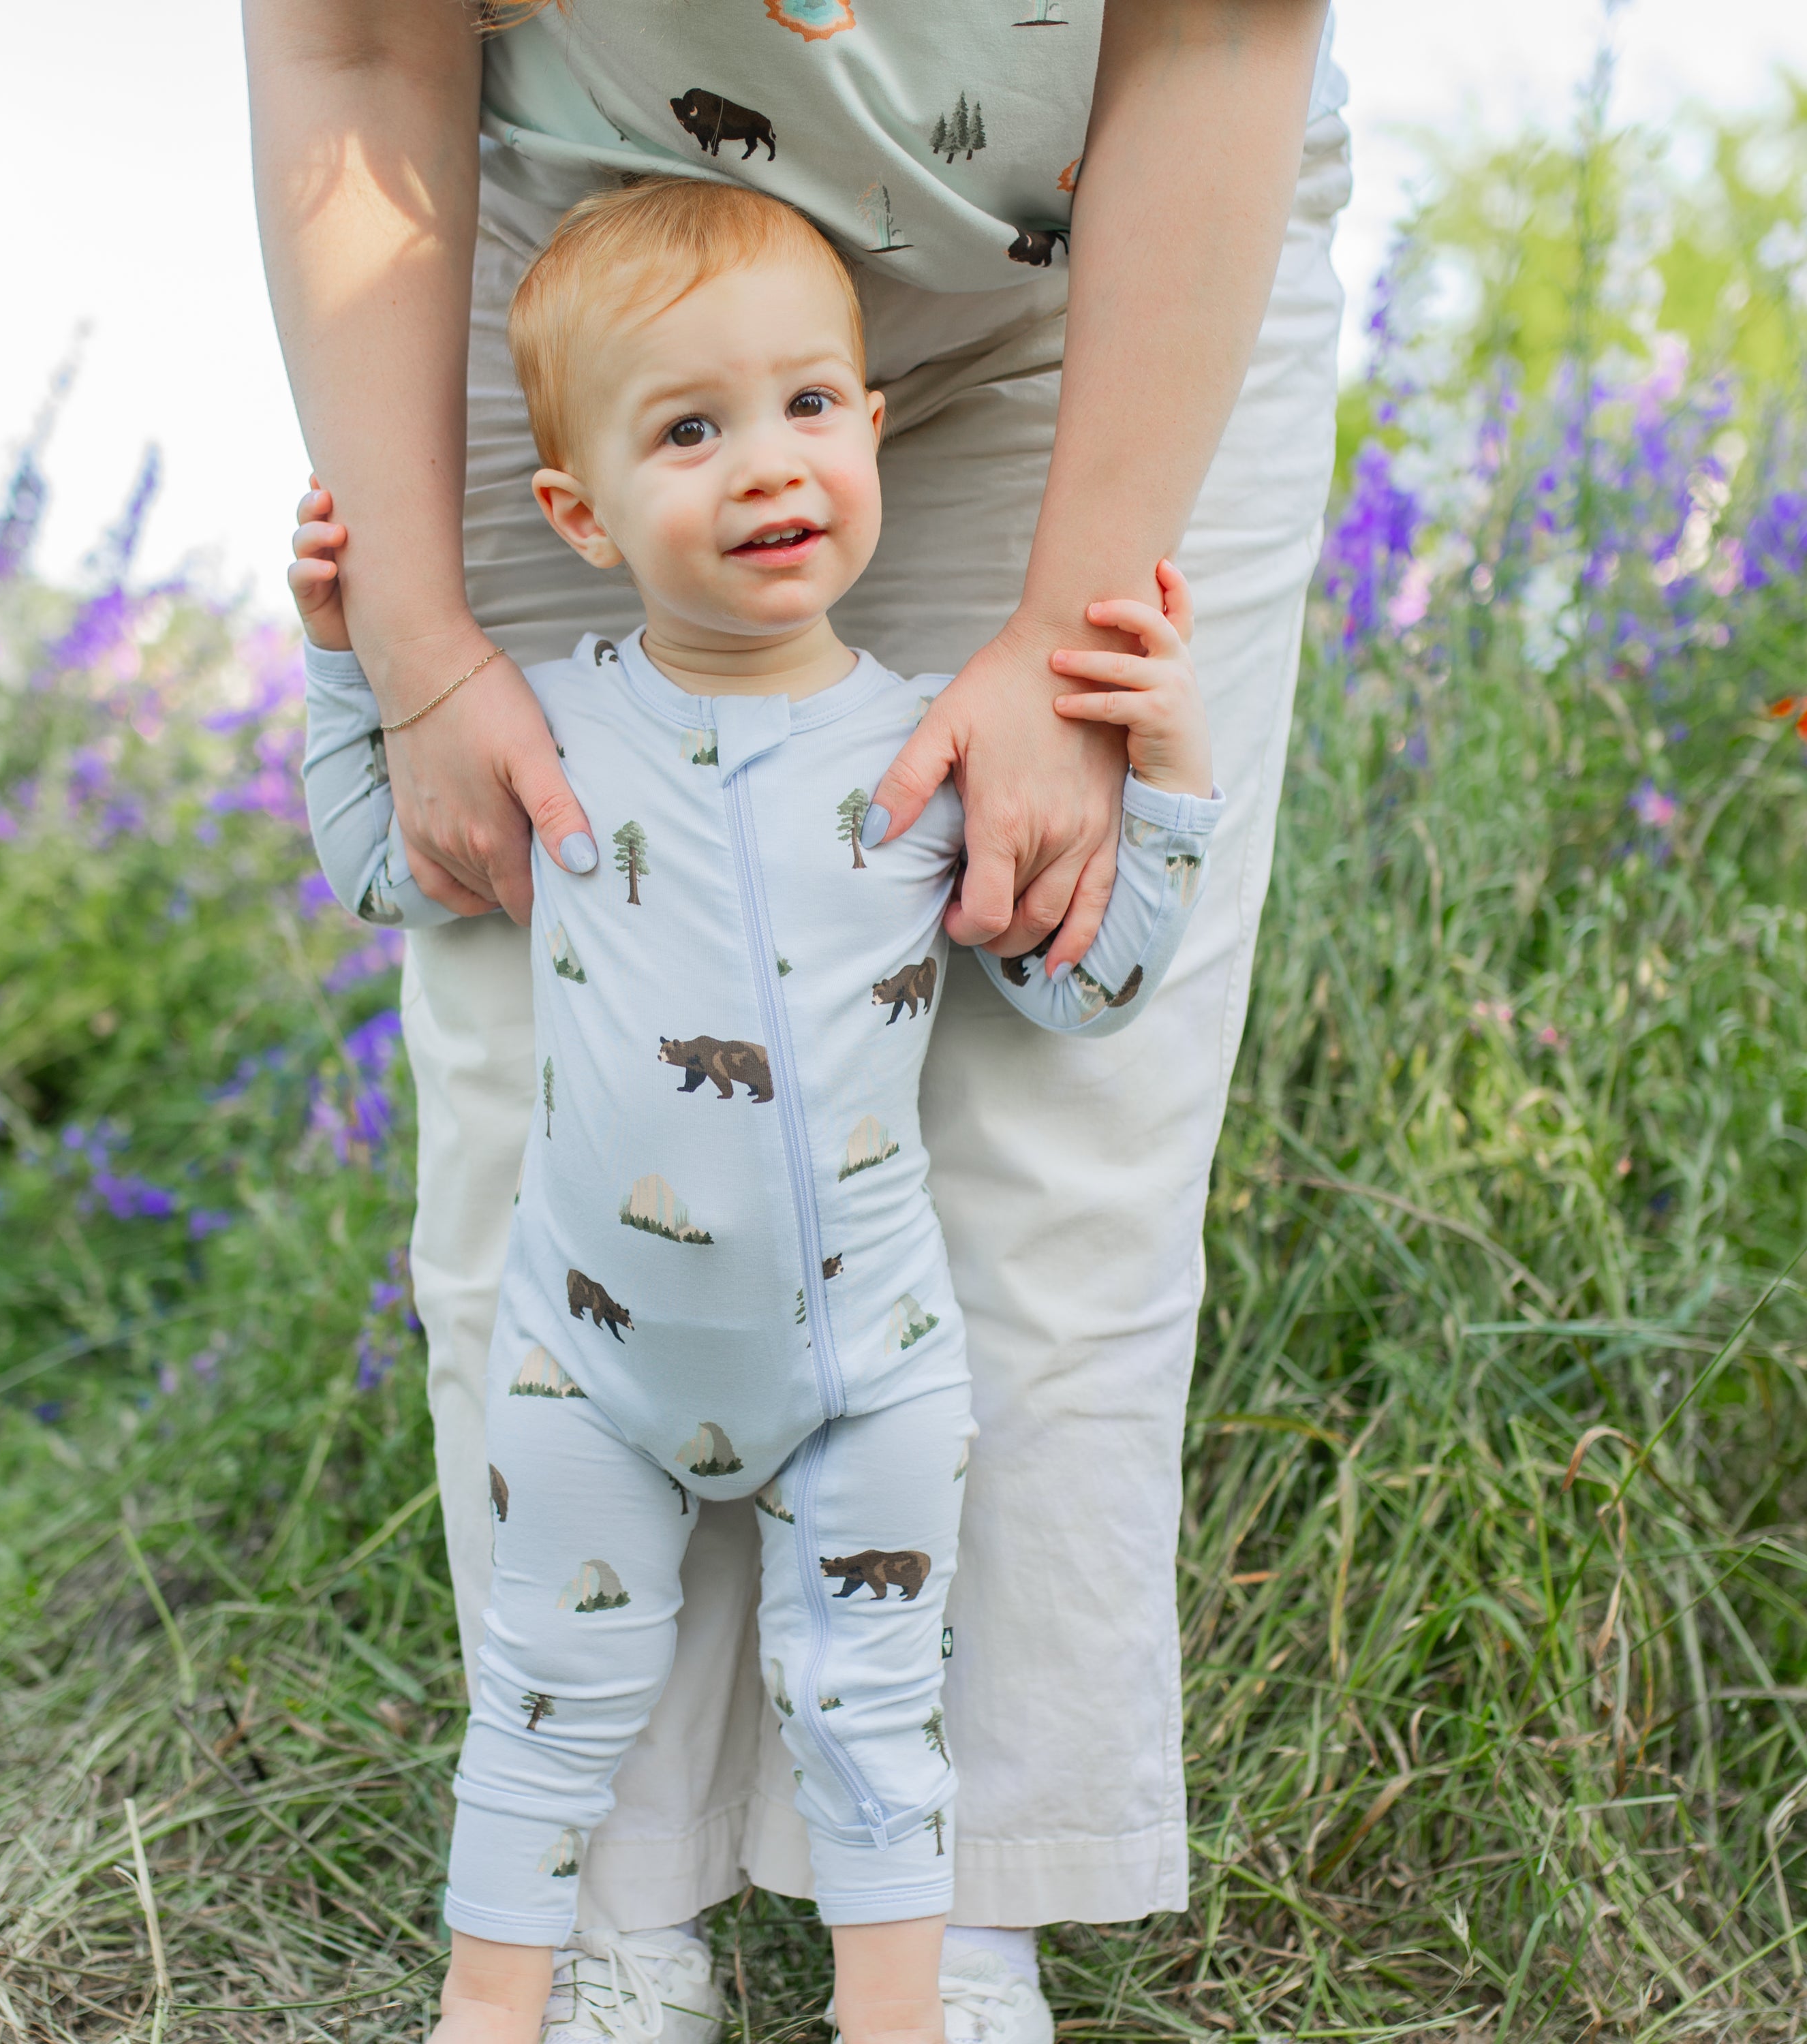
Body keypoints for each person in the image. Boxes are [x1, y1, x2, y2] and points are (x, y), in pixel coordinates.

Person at [245, 3, 1348, 2040]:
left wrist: (1115, 706)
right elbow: (349, 37)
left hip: (1092, 237)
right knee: (523, 1133)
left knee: (1052, 1153)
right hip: (589, 263)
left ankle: (945, 1917)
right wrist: (391, 652)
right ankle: (600, 1907)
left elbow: (1095, 978)